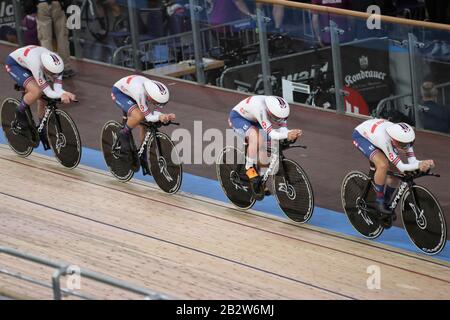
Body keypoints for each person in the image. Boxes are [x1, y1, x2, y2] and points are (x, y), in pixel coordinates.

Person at [352, 119, 435, 215]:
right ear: (394, 141)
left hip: (375, 131)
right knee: (383, 165)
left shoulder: (406, 139)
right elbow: (402, 167)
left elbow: (413, 161)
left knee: (396, 173)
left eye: (409, 144)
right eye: (402, 145)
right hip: (362, 136)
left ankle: (387, 202)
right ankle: (379, 201)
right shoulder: (385, 139)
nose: (406, 147)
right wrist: (419, 165)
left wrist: (425, 163)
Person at [228, 95, 302, 191]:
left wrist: (290, 132)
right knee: (257, 138)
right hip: (238, 118)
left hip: (255, 119)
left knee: (267, 147)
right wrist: (287, 135)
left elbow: (283, 129)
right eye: (277, 118)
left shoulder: (280, 110)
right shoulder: (260, 108)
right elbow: (273, 133)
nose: (280, 120)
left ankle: (261, 177)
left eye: (282, 118)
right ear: (269, 111)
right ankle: (248, 168)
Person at [4, 45, 77, 141]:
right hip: (14, 64)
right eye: (51, 73)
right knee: (37, 91)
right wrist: (62, 95)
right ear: (45, 68)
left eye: (56, 73)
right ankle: (19, 111)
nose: (54, 76)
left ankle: (42, 130)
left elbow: (58, 89)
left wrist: (66, 93)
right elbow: (48, 92)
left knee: (43, 100)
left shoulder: (58, 65)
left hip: (28, 61)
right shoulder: (36, 64)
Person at [111, 75, 175, 155]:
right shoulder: (140, 93)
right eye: (157, 103)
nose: (159, 105)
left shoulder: (157, 92)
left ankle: (143, 152)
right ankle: (124, 133)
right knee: (140, 116)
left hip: (131, 89)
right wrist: (159, 117)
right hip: (120, 93)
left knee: (145, 124)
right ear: (150, 97)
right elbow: (148, 117)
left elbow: (156, 111)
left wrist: (165, 117)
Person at [36, 0, 75, 78]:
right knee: (62, 37)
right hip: (57, 3)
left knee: (45, 39)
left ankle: (50, 69)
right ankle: (65, 68)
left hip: (41, 4)